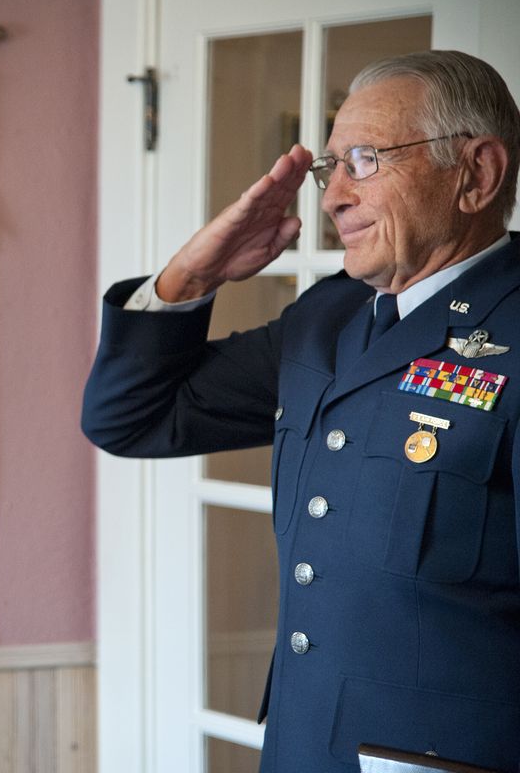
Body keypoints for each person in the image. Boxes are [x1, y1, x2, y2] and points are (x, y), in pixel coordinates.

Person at [82, 50, 520, 772]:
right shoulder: (330, 316)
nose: (333, 197)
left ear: (476, 174)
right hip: (302, 745)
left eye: (366, 160)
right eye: (330, 168)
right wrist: (192, 275)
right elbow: (130, 417)